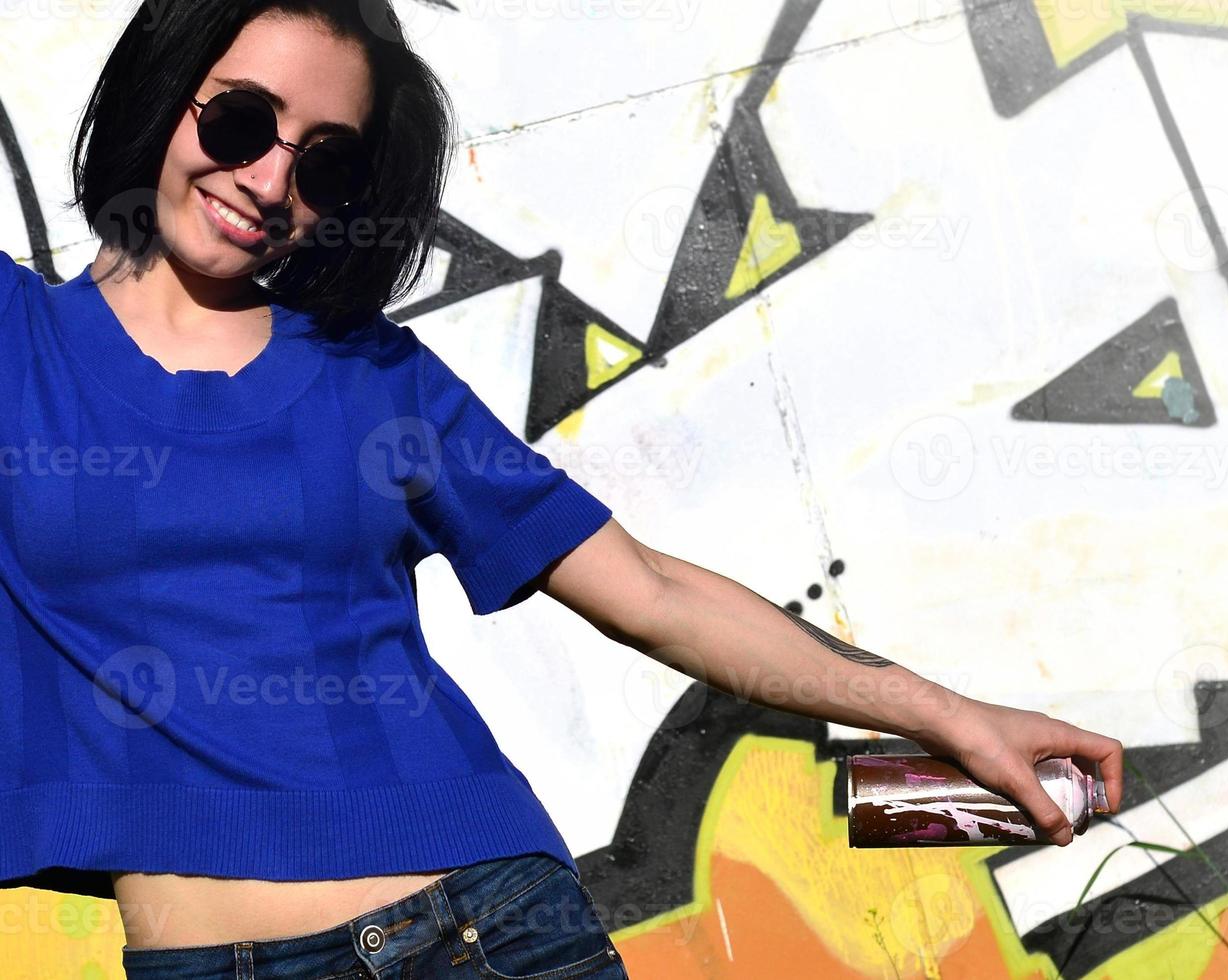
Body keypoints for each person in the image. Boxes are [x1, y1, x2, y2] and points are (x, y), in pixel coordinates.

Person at [0, 1, 1124, 977]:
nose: (268, 179)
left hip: (481, 933)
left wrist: (949, 716)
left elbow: (649, 589)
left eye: (326, 162)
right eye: (239, 120)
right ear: (164, 88)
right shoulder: (20, 344)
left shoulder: (373, 378)